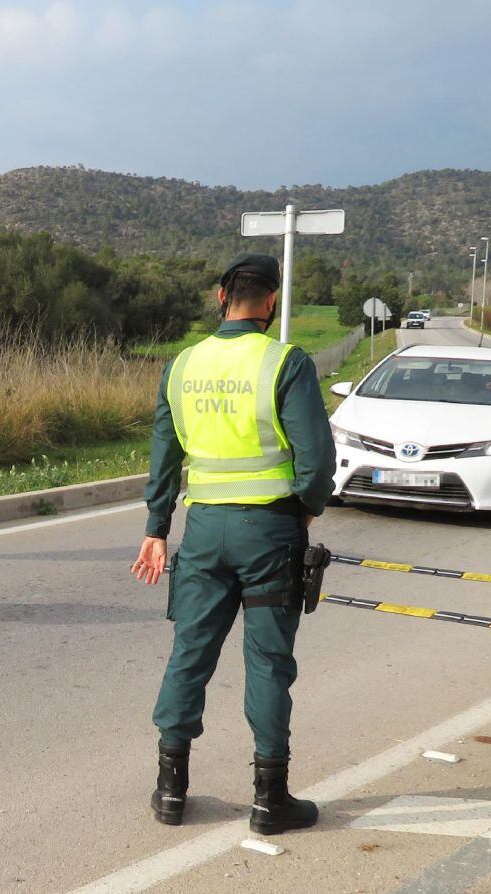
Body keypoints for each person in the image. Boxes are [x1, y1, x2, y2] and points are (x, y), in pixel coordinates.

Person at [131, 253, 336, 835]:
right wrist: (303, 508)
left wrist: (155, 528)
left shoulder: (183, 364)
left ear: (221, 297)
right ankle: (271, 801)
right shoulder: (284, 363)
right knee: (268, 662)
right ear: (270, 302)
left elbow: (164, 453)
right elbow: (317, 458)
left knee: (190, 651)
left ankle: (171, 791)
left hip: (203, 532)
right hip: (268, 530)